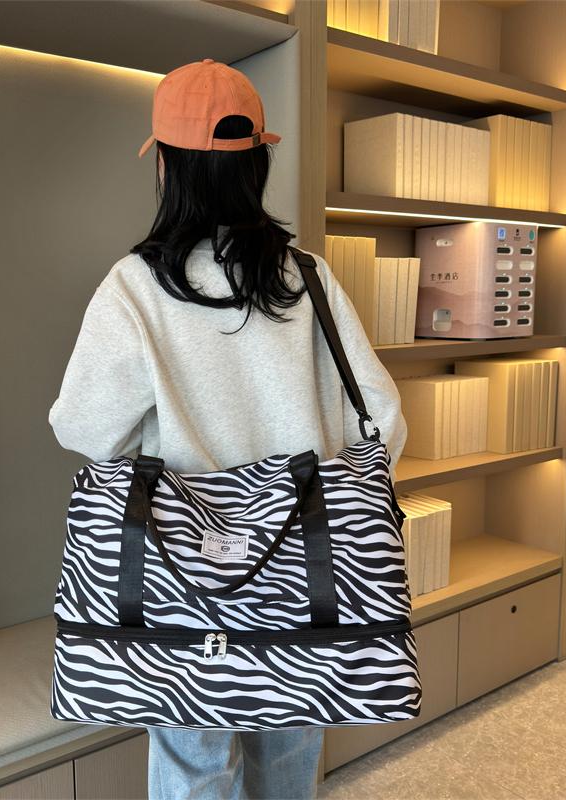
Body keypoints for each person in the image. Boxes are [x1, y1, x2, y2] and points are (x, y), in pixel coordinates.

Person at [47, 58, 407, 800]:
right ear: (258, 162)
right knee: (290, 750)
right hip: (304, 570)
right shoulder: (306, 277)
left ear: (166, 165)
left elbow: (83, 428)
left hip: (177, 572)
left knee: (192, 764)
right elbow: (381, 418)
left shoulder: (135, 287)